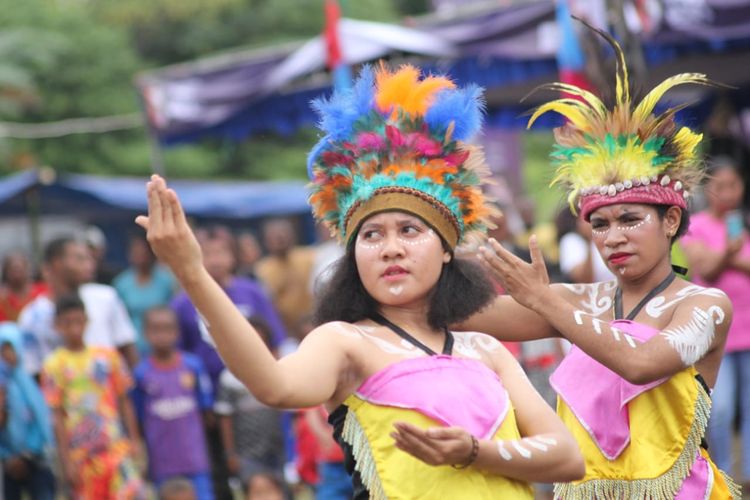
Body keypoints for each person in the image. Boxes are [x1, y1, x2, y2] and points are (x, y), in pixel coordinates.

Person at [137, 64, 584, 499]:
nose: (390, 248)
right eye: (372, 235)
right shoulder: (344, 343)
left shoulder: (483, 349)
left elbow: (566, 456)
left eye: (409, 231)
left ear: (447, 248)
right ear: (353, 257)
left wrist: (475, 452)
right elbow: (274, 385)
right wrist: (192, 274)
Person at [464, 25, 741, 498]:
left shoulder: (704, 306)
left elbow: (641, 363)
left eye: (630, 220)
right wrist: (433, 246)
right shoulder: (584, 299)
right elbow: (467, 316)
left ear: (670, 220)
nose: (613, 238)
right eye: (600, 225)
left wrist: (543, 301)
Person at [681, 157, 750, 489]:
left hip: (749, 331)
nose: (728, 193)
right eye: (720, 186)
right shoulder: (695, 225)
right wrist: (731, 255)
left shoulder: (743, 222)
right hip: (715, 336)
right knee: (719, 409)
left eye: (734, 185)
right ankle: (721, 475)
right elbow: (705, 268)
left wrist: (726, 256)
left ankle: (747, 475)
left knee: (749, 407)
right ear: (709, 190)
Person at [41, 294, 144, 499]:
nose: (74, 328)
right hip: (81, 455)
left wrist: (134, 439)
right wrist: (66, 460)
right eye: (67, 323)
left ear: (87, 320)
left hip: (115, 448)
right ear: (57, 326)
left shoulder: (107, 356)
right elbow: (58, 416)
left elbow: (124, 400)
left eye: (78, 321)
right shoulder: (53, 365)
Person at [19, 237, 138, 376]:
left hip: (108, 395)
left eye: (90, 259)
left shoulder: (106, 297)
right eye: (80, 259)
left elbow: (127, 348)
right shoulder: (32, 316)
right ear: (56, 263)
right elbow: (33, 370)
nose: (90, 264)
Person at [131, 306, 214, 500]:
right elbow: (138, 419)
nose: (162, 335)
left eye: (167, 329)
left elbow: (206, 412)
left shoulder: (193, 366)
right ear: (145, 333)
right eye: (156, 329)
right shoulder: (141, 374)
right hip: (163, 464)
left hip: (195, 460)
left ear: (177, 332)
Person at [214, 317, 285, 491]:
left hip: (276, 449)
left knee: (280, 490)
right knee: (255, 490)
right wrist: (230, 453)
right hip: (245, 453)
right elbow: (225, 419)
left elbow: (287, 414)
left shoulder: (278, 371)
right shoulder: (229, 378)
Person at [0, 323, 55, 500]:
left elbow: (41, 421)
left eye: (11, 349)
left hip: (36, 458)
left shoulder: (30, 384)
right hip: (7, 463)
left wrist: (27, 455)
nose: (8, 355)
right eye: (3, 350)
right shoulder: (2, 386)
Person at [114, 233, 177, 355]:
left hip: (162, 346)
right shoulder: (121, 283)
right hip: (131, 347)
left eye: (143, 252)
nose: (139, 256)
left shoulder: (166, 280)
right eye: (135, 252)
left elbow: (172, 313)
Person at [255, 218, 316, 339]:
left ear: (293, 236)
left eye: (284, 233)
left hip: (314, 326)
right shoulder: (262, 269)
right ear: (266, 241)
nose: (280, 238)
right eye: (275, 236)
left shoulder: (309, 258)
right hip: (285, 334)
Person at [0, 252, 47, 322]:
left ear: (28, 270)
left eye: (20, 270)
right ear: (6, 272)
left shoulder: (43, 290)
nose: (17, 274)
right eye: (13, 270)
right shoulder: (2, 298)